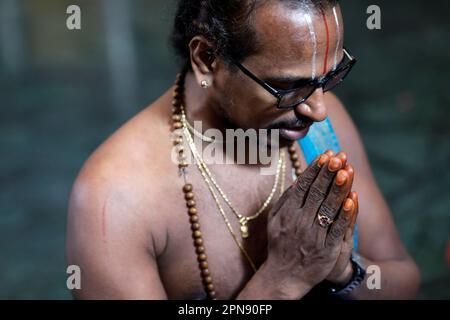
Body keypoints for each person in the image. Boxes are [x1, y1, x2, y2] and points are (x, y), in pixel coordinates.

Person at [66, 0, 420, 299]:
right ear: (206, 59)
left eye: (330, 77)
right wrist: (283, 278)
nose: (320, 109)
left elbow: (405, 280)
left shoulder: (323, 128)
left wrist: (343, 271)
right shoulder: (114, 199)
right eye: (288, 86)